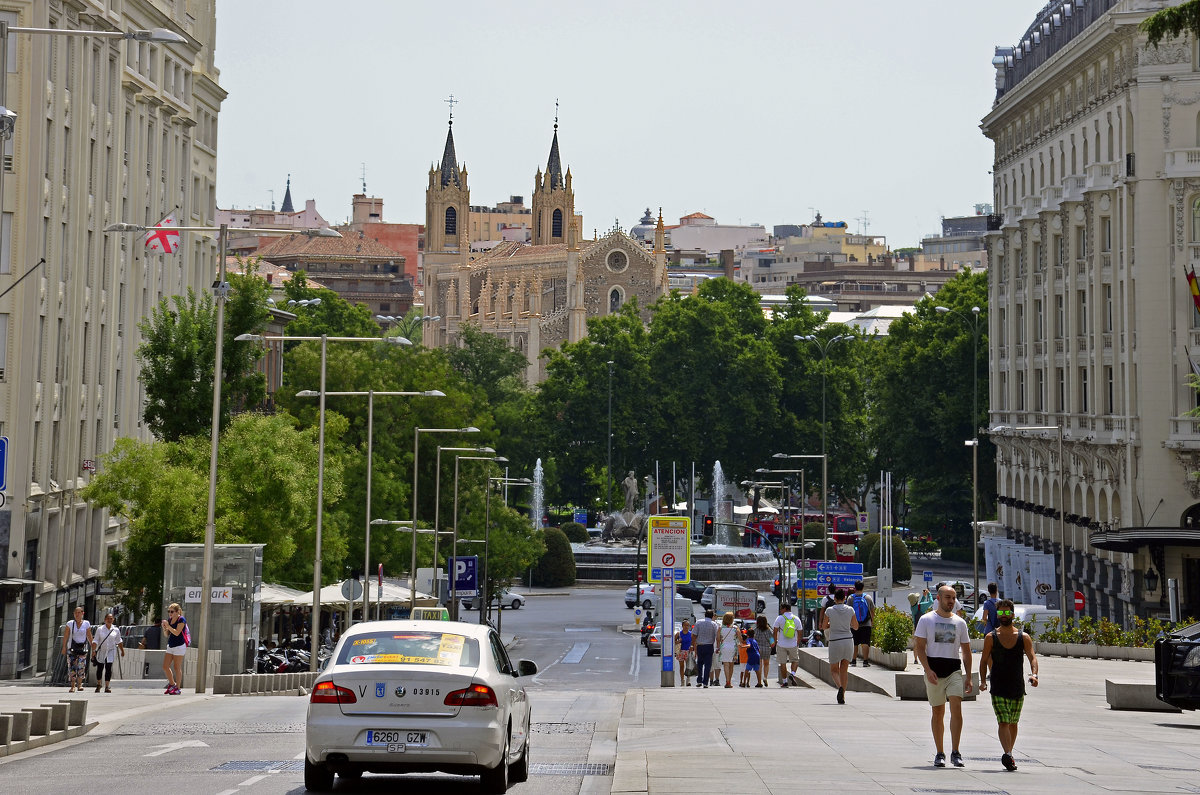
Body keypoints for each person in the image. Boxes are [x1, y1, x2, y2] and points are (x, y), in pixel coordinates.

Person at [914, 585, 974, 768]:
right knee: (938, 712)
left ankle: (955, 752)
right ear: (938, 599)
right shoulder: (926, 620)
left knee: (956, 706)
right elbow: (919, 647)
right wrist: (927, 669)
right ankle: (940, 752)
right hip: (933, 670)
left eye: (953, 597)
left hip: (953, 670)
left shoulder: (960, 622)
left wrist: (969, 676)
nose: (951, 601)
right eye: (947, 597)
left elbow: (966, 651)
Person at [978, 598, 1039, 771]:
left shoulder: (1023, 637)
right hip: (998, 686)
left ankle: (1009, 753)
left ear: (1012, 614)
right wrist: (983, 681)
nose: (1003, 616)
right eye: (1000, 612)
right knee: (1003, 722)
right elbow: (983, 661)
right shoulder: (991, 637)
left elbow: (1032, 657)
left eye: (1006, 612)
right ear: (997, 614)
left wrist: (1034, 675)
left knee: (1013, 723)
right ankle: (1008, 754)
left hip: (1017, 687)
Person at [821, 588, 859, 704]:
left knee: (834, 670)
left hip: (835, 641)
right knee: (844, 670)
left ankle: (840, 688)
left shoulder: (829, 610)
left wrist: (832, 623)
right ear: (845, 598)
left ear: (835, 599)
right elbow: (856, 626)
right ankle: (843, 695)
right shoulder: (850, 610)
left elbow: (823, 626)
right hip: (848, 640)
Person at [61, 606, 93, 693]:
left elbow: (89, 635)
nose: (77, 614)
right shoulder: (70, 623)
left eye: (79, 613)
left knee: (81, 666)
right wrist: (64, 647)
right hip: (72, 649)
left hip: (82, 648)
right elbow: (66, 636)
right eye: (76, 613)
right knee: (72, 666)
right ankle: (72, 686)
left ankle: (80, 685)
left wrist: (93, 647)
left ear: (83, 613)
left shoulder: (86, 623)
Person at [91, 611, 125, 693]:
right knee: (100, 668)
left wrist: (122, 651)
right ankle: (99, 684)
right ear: (105, 620)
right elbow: (95, 640)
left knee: (108, 668)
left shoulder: (115, 630)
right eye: (108, 619)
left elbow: (119, 641)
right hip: (101, 650)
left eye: (111, 619)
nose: (110, 620)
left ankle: (107, 686)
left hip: (111, 651)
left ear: (113, 619)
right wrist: (93, 651)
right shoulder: (100, 629)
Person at [772, 600, 802, 687]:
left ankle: (785, 682)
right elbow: (800, 632)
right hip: (793, 644)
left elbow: (775, 631)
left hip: (781, 644)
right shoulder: (796, 619)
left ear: (785, 609)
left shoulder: (780, 618)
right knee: (795, 661)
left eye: (781, 609)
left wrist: (775, 640)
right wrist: (797, 642)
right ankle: (792, 674)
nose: (780, 610)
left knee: (783, 663)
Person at [161, 603, 188, 695]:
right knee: (165, 666)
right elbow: (166, 635)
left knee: (177, 667)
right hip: (171, 645)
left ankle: (178, 688)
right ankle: (172, 684)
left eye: (172, 611)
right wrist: (165, 628)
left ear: (177, 612)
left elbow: (177, 633)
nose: (170, 613)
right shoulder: (170, 620)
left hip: (179, 646)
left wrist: (168, 626)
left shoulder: (181, 619)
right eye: (169, 611)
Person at [849, 580, 875, 667]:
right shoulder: (868, 597)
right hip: (866, 623)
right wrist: (872, 621)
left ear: (855, 588)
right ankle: (865, 661)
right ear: (863, 587)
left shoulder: (850, 598)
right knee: (865, 643)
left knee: (854, 643)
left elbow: (848, 611)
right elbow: (872, 610)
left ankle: (853, 661)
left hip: (854, 624)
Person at [692, 609, 719, 689]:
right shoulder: (714, 624)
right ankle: (705, 683)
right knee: (708, 665)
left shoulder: (698, 622)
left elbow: (694, 635)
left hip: (700, 645)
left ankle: (699, 680)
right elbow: (717, 637)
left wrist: (693, 645)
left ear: (705, 615)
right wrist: (718, 647)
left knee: (699, 663)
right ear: (712, 616)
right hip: (709, 646)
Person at [716, 612, 741, 689]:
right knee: (731, 665)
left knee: (726, 665)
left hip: (724, 647)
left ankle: (727, 681)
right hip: (733, 647)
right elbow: (740, 638)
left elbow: (718, 639)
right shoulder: (735, 628)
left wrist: (718, 647)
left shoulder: (720, 628)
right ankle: (729, 681)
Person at [752, 614, 774, 686]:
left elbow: (753, 640)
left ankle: (759, 680)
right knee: (766, 664)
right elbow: (772, 642)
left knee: (759, 665)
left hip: (758, 649)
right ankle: (765, 677)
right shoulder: (768, 631)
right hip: (766, 649)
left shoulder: (755, 630)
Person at [674, 619, 694, 686]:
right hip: (681, 651)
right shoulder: (679, 634)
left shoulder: (691, 634)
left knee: (688, 666)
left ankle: (688, 679)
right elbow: (673, 642)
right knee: (681, 666)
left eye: (687, 625)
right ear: (682, 626)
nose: (686, 627)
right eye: (685, 625)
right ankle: (682, 680)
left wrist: (692, 646)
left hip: (688, 651)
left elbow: (694, 642)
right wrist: (678, 641)